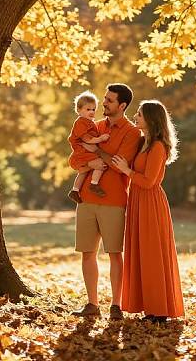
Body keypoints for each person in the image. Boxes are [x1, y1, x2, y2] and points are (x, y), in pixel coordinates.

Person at [69, 83, 141, 320]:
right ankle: (92, 304)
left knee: (114, 253)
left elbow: (120, 162)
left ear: (122, 105)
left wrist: (96, 153)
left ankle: (116, 306)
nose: (103, 103)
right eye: (104, 98)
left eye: (109, 100)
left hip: (114, 200)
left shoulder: (132, 132)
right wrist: (89, 163)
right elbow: (74, 160)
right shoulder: (94, 125)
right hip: (86, 199)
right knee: (87, 253)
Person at [112, 100, 185, 323]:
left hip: (150, 203)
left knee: (152, 254)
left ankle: (160, 310)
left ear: (152, 119)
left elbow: (149, 181)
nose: (136, 117)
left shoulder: (158, 147)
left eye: (140, 115)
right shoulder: (143, 141)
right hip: (137, 201)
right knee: (141, 253)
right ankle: (148, 307)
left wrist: (126, 170)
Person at [67, 91, 110, 204]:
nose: (91, 112)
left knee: (83, 172)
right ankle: (94, 184)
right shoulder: (81, 123)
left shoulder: (89, 122)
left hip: (85, 151)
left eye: (93, 109)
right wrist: (100, 139)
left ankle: (75, 190)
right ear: (79, 110)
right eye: (88, 109)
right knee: (100, 164)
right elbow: (87, 139)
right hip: (82, 152)